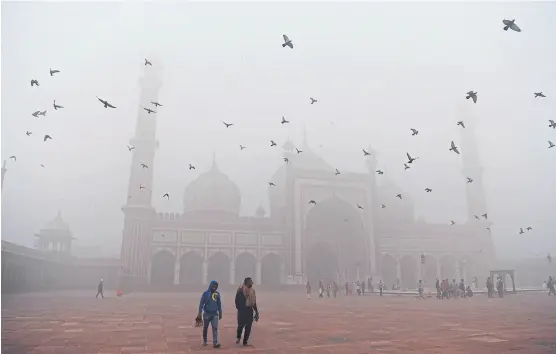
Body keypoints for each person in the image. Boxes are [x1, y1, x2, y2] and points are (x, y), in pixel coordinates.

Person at [196, 280, 222, 348]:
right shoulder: (206, 294)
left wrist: (220, 311)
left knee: (215, 328)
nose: (214, 287)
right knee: (205, 328)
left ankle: (215, 343)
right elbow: (201, 303)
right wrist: (200, 312)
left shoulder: (217, 294)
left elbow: (219, 303)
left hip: (215, 314)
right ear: (210, 286)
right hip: (207, 314)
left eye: (216, 286)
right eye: (213, 286)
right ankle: (205, 340)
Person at [235, 277, 259, 346]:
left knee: (248, 326)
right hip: (242, 310)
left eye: (251, 281)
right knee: (240, 326)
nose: (252, 283)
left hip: (249, 310)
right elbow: (236, 301)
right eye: (250, 282)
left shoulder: (253, 291)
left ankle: (245, 341)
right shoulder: (240, 290)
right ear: (246, 282)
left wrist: (256, 311)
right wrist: (240, 309)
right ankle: (239, 337)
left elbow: (254, 302)